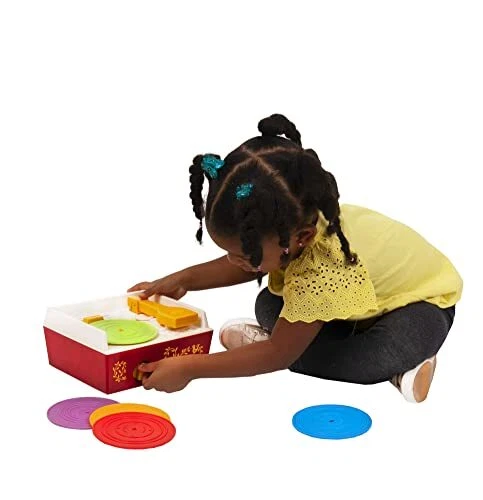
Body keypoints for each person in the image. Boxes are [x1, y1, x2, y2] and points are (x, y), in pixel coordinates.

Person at [128, 113, 463, 403]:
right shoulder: (296, 217)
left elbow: (278, 356)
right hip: (350, 304)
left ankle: (403, 368)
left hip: (419, 309)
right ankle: (275, 345)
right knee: (268, 304)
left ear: (301, 237)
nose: (234, 261)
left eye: (245, 255)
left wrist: (190, 368)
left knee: (366, 358)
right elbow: (249, 266)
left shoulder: (322, 265)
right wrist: (183, 280)